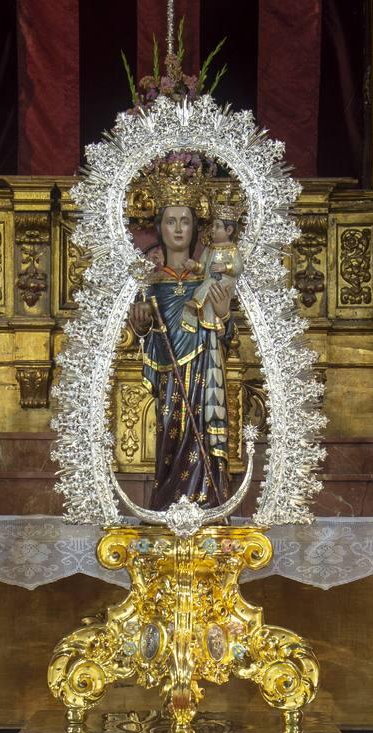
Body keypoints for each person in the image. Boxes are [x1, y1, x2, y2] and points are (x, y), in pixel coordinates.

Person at [126, 192, 236, 510]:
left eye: (185, 221)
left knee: (202, 432)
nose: (178, 229)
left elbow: (228, 336)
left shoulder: (209, 279)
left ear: (195, 229)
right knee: (171, 439)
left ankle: (207, 500)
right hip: (169, 376)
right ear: (159, 228)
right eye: (171, 221)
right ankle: (167, 503)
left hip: (204, 371)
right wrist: (142, 325)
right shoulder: (150, 282)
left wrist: (223, 314)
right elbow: (141, 333)